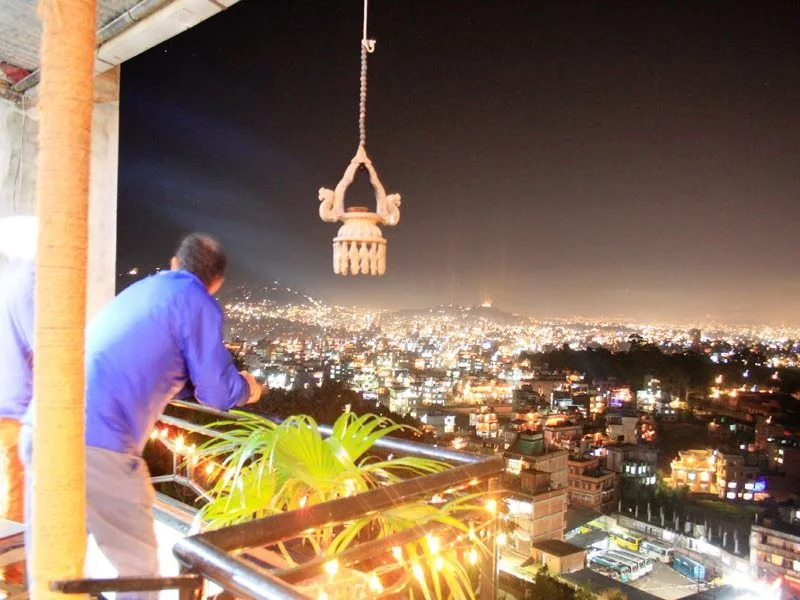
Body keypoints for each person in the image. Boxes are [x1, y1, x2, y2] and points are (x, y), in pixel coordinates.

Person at [82, 233, 262, 596]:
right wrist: (248, 388)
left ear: (175, 263)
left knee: (58, 562)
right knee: (141, 572)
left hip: (50, 426)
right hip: (100, 443)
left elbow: (157, 364)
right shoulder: (197, 301)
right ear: (216, 282)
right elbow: (216, 393)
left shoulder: (141, 290)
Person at [0, 215, 37, 586]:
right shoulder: (27, 284)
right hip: (19, 409)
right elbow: (46, 347)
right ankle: (13, 576)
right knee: (21, 492)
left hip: (8, 404)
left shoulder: (8, 281)